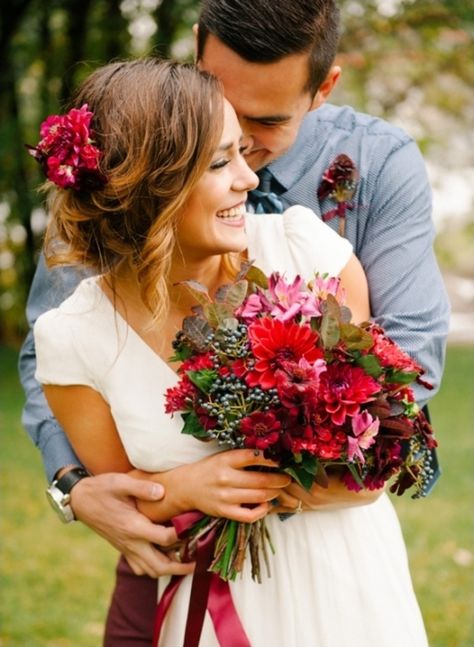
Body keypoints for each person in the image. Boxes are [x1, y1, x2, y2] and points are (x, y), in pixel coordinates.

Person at [18, 0, 450, 642]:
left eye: (264, 123)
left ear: (322, 88)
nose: (248, 161)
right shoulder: (139, 127)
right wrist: (78, 488)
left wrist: (287, 472)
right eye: (220, 145)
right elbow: (66, 366)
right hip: (184, 568)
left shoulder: (327, 229)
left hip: (338, 567)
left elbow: (397, 378)